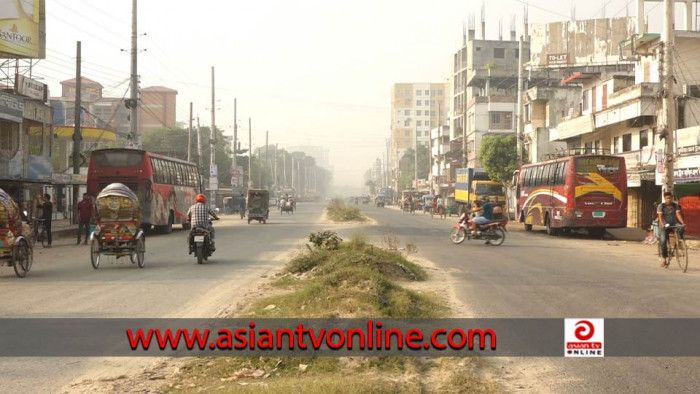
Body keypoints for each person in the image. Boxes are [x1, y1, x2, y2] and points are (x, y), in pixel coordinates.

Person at [657, 192, 686, 267]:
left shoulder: (675, 205)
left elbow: (678, 215)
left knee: (681, 227)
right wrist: (663, 224)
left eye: (670, 198)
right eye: (667, 198)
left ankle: (680, 240)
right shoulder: (661, 206)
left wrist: (683, 223)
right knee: (663, 241)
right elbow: (660, 217)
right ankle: (664, 258)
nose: (669, 199)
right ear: (664, 199)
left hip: (674, 224)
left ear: (672, 198)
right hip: (664, 226)